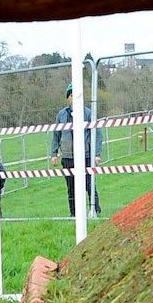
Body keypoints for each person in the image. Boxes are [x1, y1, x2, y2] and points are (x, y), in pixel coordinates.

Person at [50, 85, 102, 218]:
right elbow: (56, 135)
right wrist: (54, 154)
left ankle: (95, 210)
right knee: (71, 188)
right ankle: (74, 214)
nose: (74, 98)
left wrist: (96, 154)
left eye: (76, 95)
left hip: (86, 156)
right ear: (68, 98)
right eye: (71, 95)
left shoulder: (88, 114)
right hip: (68, 157)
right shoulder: (61, 115)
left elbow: (97, 134)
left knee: (89, 185)